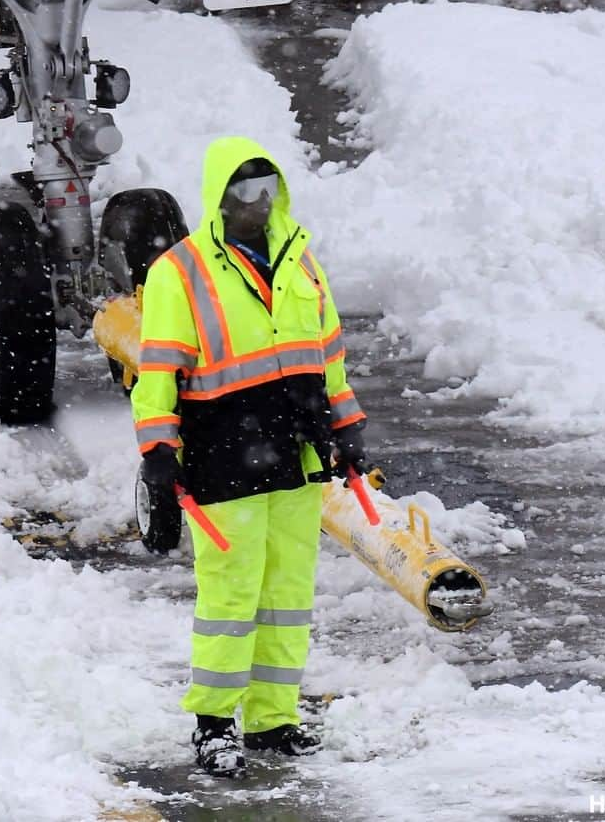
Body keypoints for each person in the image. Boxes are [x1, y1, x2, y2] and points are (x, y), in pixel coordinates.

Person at [129, 135, 368, 776]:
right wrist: (157, 449)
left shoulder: (301, 259)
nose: (257, 204)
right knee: (231, 595)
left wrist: (347, 426)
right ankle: (214, 725)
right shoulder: (178, 271)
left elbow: (330, 354)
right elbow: (158, 371)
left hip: (297, 450)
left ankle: (273, 721)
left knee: (287, 591)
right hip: (222, 452)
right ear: (218, 196)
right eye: (243, 192)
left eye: (267, 190)